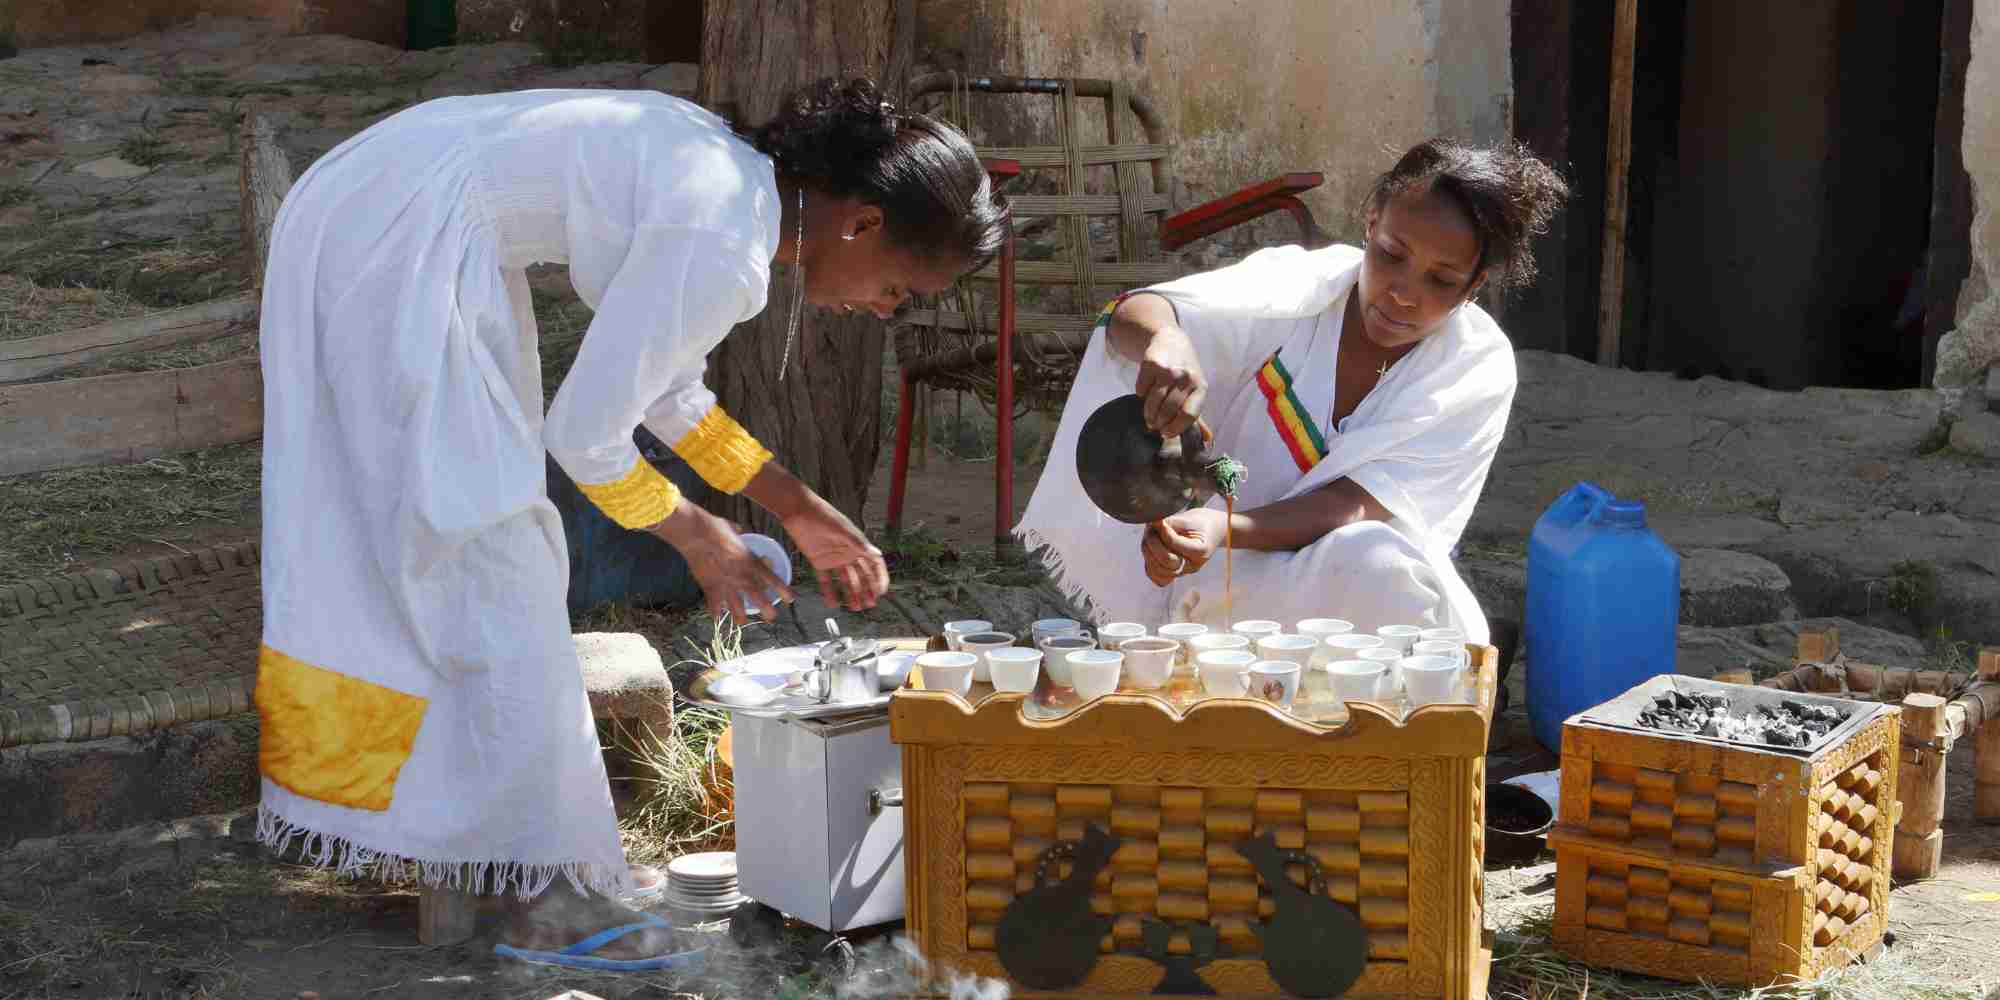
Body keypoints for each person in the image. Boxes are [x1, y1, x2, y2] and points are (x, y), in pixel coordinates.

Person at [253, 78, 1006, 970]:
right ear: (863, 224)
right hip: (389, 232)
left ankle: (495, 851)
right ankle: (527, 874)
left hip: (393, 209)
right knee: (480, 549)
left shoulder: (733, 191)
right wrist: (701, 538)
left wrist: (800, 510)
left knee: (469, 546)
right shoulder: (722, 240)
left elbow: (666, 396)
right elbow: (586, 436)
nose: (887, 312)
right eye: (898, 289)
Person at [1018, 139, 1567, 647]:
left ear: (1475, 285)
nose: (1403, 294)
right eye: (1391, 255)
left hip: (1327, 574)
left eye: (1441, 281)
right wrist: (1167, 337)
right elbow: (1133, 314)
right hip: (1225, 575)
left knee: (1384, 572)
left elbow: (1358, 505)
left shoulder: (1475, 366)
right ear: (1370, 222)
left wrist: (1221, 525)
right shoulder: (1297, 289)